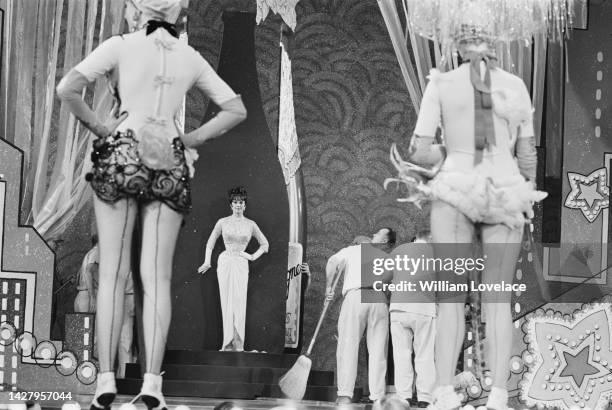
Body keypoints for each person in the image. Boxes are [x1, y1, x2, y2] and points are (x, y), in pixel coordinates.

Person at [56, 0, 247, 407]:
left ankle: (105, 382)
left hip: (123, 150)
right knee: (156, 277)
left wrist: (103, 127)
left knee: (112, 273)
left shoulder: (120, 45)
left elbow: (67, 89)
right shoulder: (188, 55)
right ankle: (152, 387)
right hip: (168, 156)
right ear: (177, 14)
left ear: (134, 12)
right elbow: (235, 109)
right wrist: (190, 140)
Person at [390, 28, 547, 410]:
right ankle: (496, 397)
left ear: (458, 45)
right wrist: (520, 185)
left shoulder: (441, 85)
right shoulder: (516, 85)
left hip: (456, 188)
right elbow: (528, 157)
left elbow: (418, 150)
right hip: (504, 189)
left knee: (450, 300)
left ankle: (444, 393)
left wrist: (450, 154)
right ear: (496, 44)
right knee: (497, 299)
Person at [326, 228, 396, 404]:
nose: (373, 235)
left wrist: (329, 287)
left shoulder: (352, 250)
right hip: (378, 298)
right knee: (378, 351)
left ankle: (344, 395)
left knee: (348, 345)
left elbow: (332, 263)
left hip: (356, 296)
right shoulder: (385, 257)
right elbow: (392, 279)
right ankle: (378, 398)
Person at [198, 186, 269, 352]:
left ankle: (238, 344)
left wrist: (251, 256)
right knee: (226, 301)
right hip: (225, 262)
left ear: (245, 205)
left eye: (241, 202)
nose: (238, 205)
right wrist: (207, 261)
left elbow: (265, 244)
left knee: (239, 302)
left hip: (241, 263)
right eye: (235, 202)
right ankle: (227, 343)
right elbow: (211, 241)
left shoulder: (251, 224)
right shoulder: (222, 222)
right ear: (231, 205)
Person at [73, 236, 136, 379]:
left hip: (93, 296)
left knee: (93, 336)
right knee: (94, 336)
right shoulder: (98, 253)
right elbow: (89, 271)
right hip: (90, 296)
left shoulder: (95, 253)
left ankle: (93, 373)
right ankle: (93, 373)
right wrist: (93, 296)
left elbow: (87, 272)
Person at [389, 232, 436, 408]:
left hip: (399, 308)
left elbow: (385, 276)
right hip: (424, 308)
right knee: (425, 355)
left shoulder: (399, 250)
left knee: (401, 354)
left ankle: (404, 397)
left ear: (415, 238)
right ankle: (425, 398)